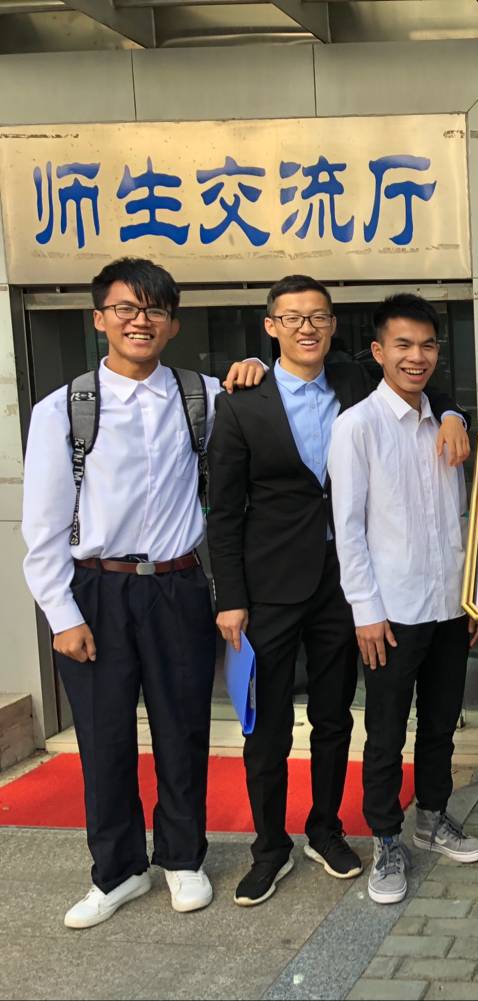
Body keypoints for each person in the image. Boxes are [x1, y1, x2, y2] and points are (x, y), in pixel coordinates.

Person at [208, 275, 470, 907]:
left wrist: (455, 412)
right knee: (269, 725)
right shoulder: (242, 400)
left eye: (319, 316)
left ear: (333, 324)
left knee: (335, 717)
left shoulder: (351, 379)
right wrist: (230, 596)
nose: (308, 327)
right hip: (273, 584)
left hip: (341, 588)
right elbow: (224, 509)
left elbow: (419, 380)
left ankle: (325, 830)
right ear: (270, 325)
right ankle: (269, 848)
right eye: (293, 317)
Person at [20, 257, 265, 928]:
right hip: (95, 590)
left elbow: (264, 414)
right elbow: (42, 525)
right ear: (98, 319)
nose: (140, 320)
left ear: (173, 323)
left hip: (179, 586)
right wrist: (61, 614)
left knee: (183, 728)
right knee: (103, 738)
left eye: (155, 309)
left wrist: (256, 368)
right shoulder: (63, 408)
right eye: (125, 308)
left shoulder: (202, 395)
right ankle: (117, 870)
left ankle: (182, 858)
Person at [328, 294, 478, 905]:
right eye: (403, 345)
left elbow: (461, 518)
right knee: (386, 731)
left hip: (448, 604)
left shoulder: (445, 423)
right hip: (390, 613)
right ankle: (386, 841)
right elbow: (348, 528)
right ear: (378, 351)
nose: (416, 356)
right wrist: (365, 611)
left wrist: (470, 596)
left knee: (442, 724)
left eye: (426, 345)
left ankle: (434, 817)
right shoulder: (357, 426)